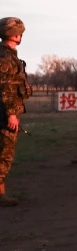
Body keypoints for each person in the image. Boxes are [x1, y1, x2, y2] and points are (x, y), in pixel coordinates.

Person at [0, 18, 33, 206]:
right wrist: (11, 113)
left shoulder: (7, 55)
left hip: (5, 111)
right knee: (4, 153)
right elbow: (4, 87)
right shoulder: (5, 58)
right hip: (4, 113)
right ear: (15, 35)